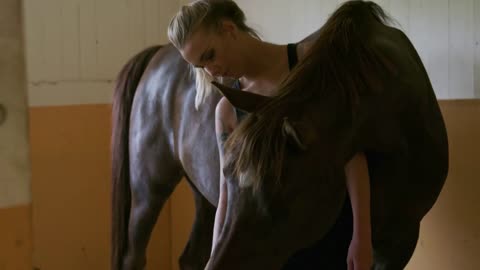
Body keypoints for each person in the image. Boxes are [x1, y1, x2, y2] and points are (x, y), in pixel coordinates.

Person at [168, 1, 372, 269]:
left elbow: (350, 154)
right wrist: (214, 261)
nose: (210, 71)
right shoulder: (226, 111)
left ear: (229, 29)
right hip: (274, 253)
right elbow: (227, 196)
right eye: (199, 66)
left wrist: (362, 236)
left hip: (332, 236)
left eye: (209, 55)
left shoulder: (309, 64)